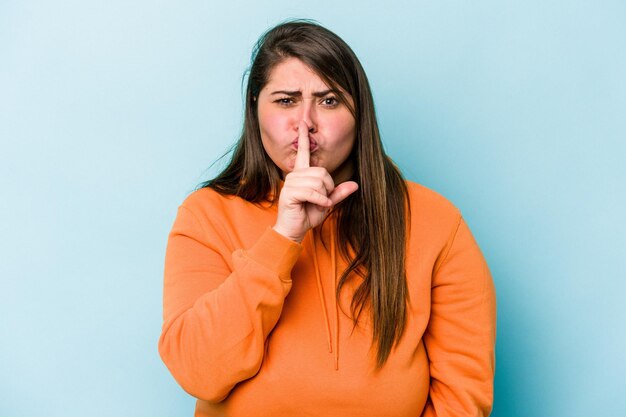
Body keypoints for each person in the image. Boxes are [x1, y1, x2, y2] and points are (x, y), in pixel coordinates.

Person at [158, 20, 496, 417]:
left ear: (360, 114)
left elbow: (462, 394)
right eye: (285, 101)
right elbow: (197, 372)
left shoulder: (436, 221)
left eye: (329, 100)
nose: (305, 125)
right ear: (255, 110)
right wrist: (284, 236)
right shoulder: (207, 213)